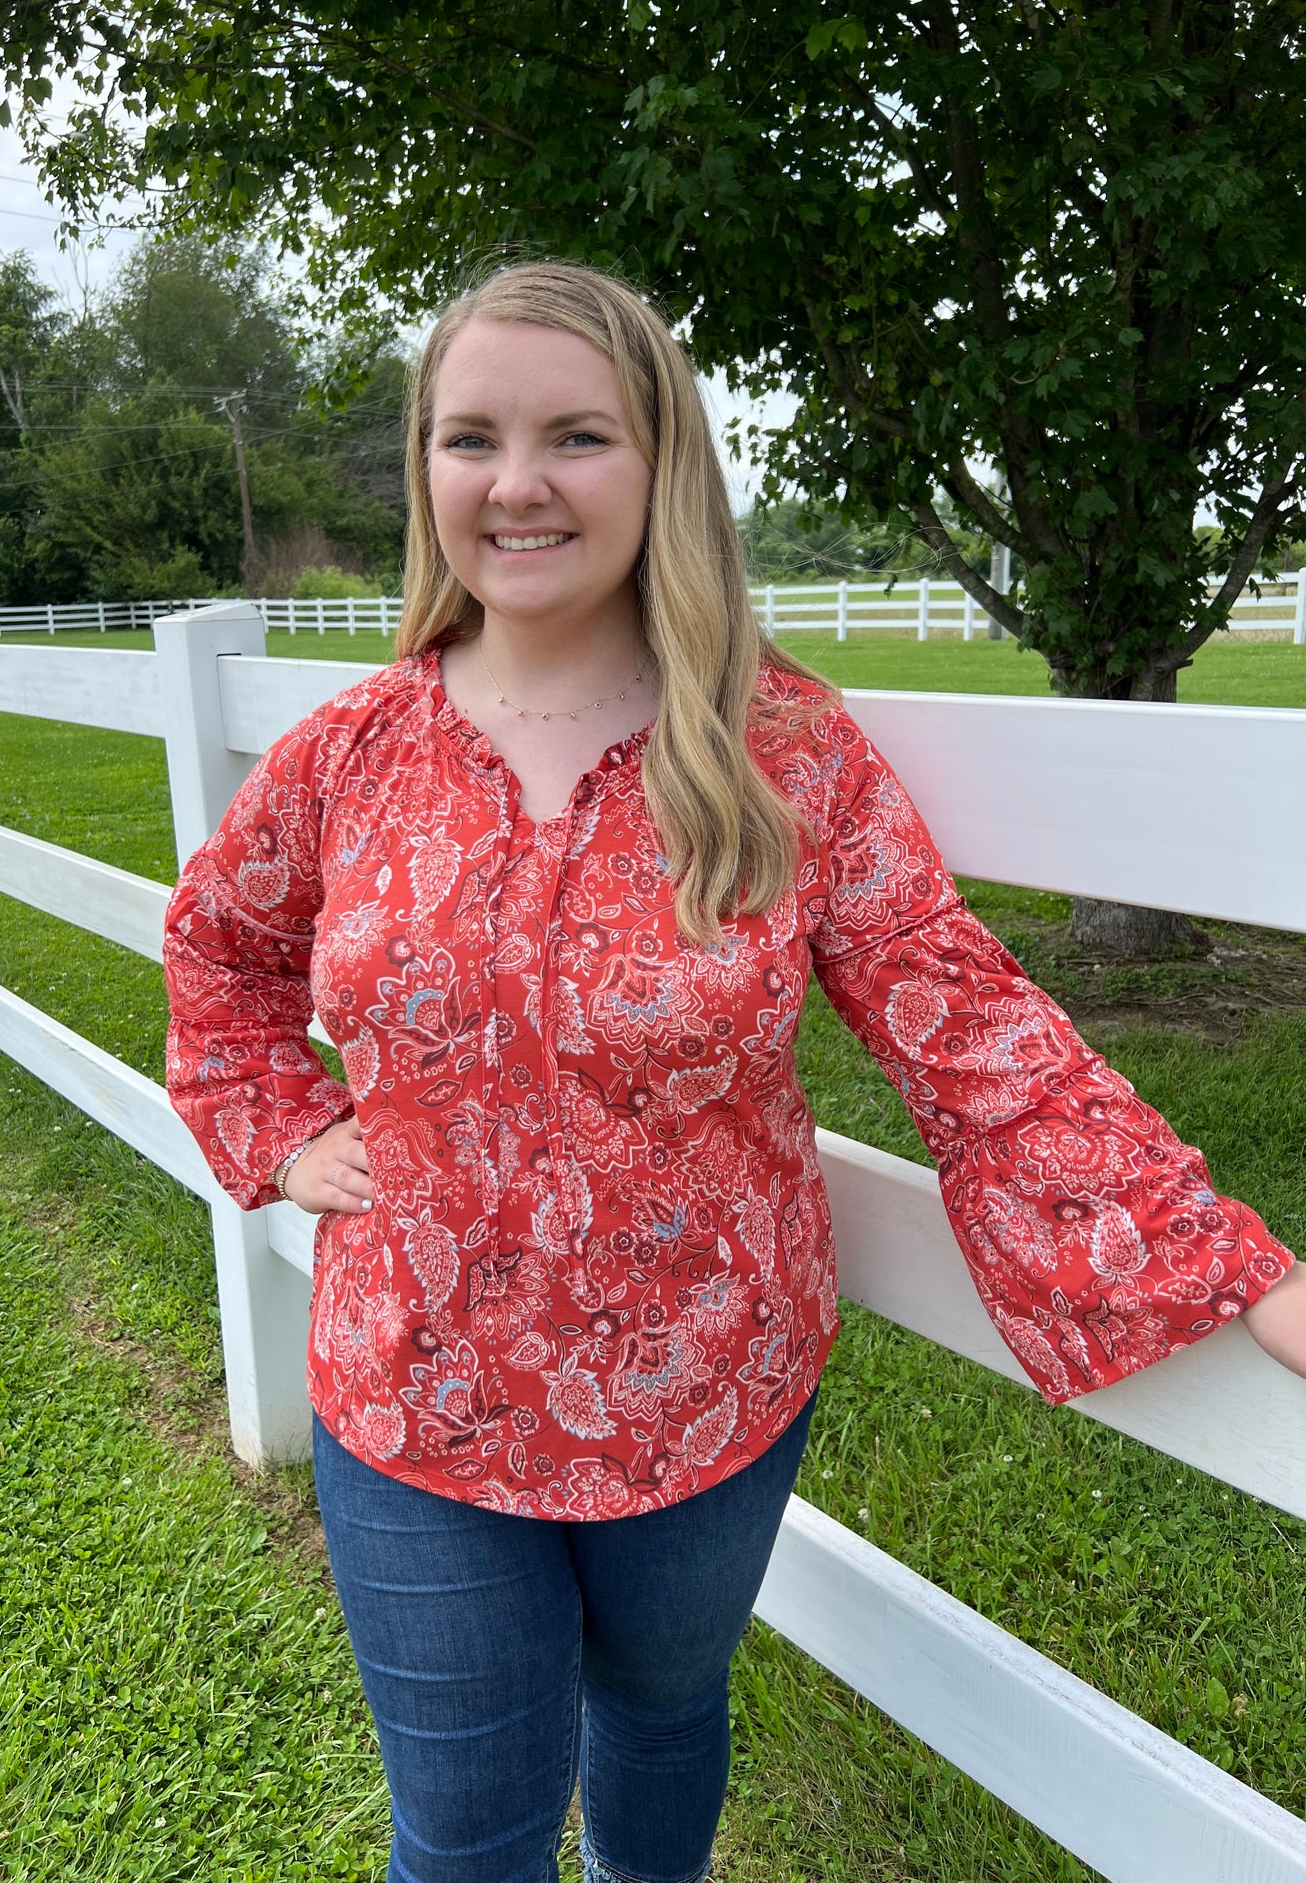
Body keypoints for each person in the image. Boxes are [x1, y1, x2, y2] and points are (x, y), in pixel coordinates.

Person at [162, 260, 1305, 1883]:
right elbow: (219, 950)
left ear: (663, 464)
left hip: (711, 1380)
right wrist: (277, 1131)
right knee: (466, 1832)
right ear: (426, 471)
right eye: (470, 437)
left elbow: (960, 1021)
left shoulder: (783, 754)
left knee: (659, 1713)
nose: (518, 484)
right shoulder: (350, 755)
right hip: (413, 1383)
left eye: (577, 436)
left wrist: (1228, 1264)